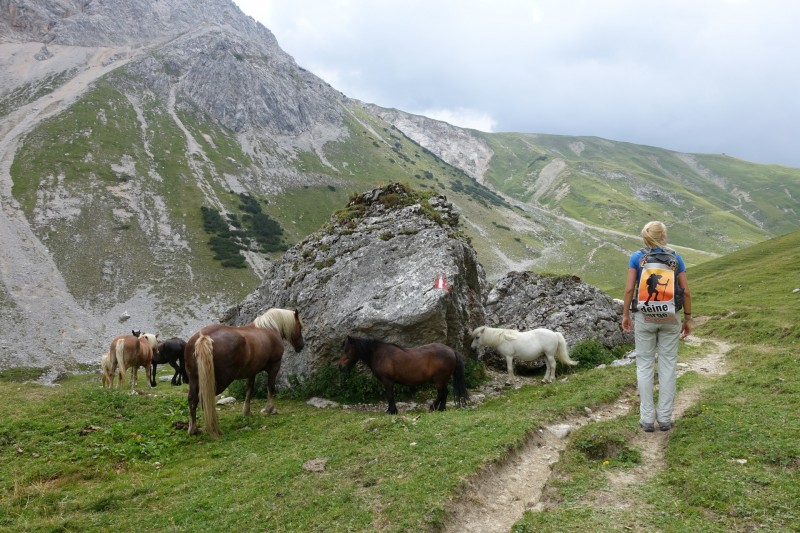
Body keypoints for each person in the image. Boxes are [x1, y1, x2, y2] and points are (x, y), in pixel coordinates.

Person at [622, 221, 692, 432]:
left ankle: (646, 419)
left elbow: (628, 289)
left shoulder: (636, 258)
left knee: (644, 364)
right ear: (663, 236)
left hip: (644, 316)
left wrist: (625, 314)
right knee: (668, 365)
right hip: (670, 316)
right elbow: (686, 291)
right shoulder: (675, 258)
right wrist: (688, 318)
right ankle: (664, 418)